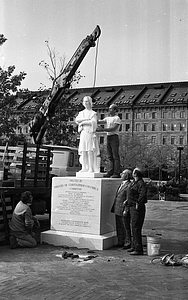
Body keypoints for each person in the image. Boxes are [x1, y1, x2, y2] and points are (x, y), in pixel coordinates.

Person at [75, 96, 99, 172]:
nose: (86, 103)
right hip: (83, 133)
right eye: (84, 101)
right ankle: (84, 167)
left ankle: (91, 168)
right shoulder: (81, 113)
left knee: (90, 151)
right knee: (83, 151)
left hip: (89, 133)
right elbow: (77, 120)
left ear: (90, 102)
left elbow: (93, 122)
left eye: (87, 101)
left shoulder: (93, 113)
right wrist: (86, 120)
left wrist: (83, 123)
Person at [127, 168, 147, 255]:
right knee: (134, 227)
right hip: (132, 207)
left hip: (136, 209)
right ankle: (134, 246)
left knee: (136, 227)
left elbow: (142, 195)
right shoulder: (135, 182)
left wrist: (138, 204)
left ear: (136, 174)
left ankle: (138, 249)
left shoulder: (140, 183)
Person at [97, 104, 121, 178]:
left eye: (111, 109)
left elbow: (113, 128)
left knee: (115, 156)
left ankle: (116, 173)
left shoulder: (117, 118)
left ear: (115, 110)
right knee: (109, 156)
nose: (109, 110)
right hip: (108, 137)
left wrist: (103, 129)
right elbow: (99, 122)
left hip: (114, 137)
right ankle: (110, 171)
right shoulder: (107, 118)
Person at [111, 169, 132, 249]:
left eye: (122, 173)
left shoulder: (129, 185)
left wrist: (126, 210)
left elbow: (128, 199)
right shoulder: (121, 184)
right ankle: (120, 241)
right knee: (118, 226)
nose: (120, 174)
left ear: (126, 175)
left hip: (123, 209)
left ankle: (127, 242)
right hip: (117, 208)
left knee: (125, 227)